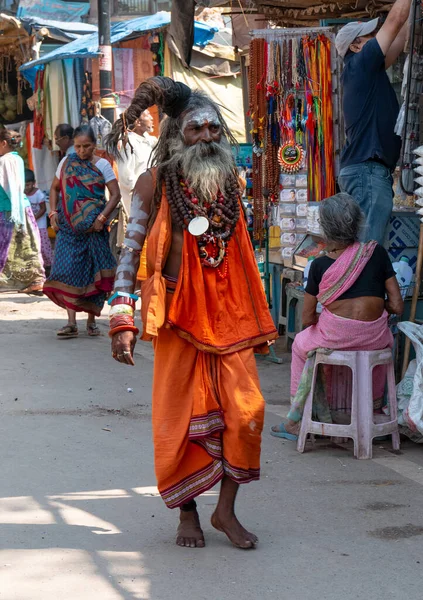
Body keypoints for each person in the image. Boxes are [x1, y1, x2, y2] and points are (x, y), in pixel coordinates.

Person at [106, 77, 277, 549]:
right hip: (179, 319)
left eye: (212, 130)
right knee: (179, 423)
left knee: (246, 414)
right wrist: (122, 315)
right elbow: (132, 249)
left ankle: (225, 511)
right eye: (194, 129)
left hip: (231, 320)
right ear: (175, 136)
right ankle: (188, 514)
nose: (205, 137)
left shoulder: (232, 185)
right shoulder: (153, 184)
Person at [271, 193, 404, 440]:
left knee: (301, 343)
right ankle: (373, 410)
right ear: (356, 223)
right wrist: (373, 305)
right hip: (374, 339)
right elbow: (397, 306)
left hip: (334, 338)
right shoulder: (377, 253)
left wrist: (337, 314)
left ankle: (296, 420)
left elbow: (307, 319)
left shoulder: (320, 265)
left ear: (325, 227)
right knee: (384, 342)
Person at [335, 0, 412, 244]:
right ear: (356, 46)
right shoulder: (360, 64)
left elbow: (401, 35)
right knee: (368, 253)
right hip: (367, 172)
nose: (377, 37)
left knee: (367, 251)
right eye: (370, 35)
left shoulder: (366, 70)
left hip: (367, 172)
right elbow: (395, 20)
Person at [44, 125, 121, 337]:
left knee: (92, 272)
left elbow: (115, 195)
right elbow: (54, 188)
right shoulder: (66, 162)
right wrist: (52, 213)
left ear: (95, 145)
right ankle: (71, 323)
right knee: (67, 270)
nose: (81, 151)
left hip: (94, 228)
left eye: (86, 146)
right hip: (68, 228)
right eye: (77, 146)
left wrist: (102, 217)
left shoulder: (103, 165)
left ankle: (91, 321)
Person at [0, 130, 45, 294]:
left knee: (9, 246)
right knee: (26, 244)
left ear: (4, 143)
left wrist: (13, 209)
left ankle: (17, 281)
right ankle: (35, 280)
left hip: (9, 210)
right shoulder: (17, 159)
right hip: (21, 207)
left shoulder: (5, 160)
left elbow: (7, 186)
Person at [117, 109, 157, 214]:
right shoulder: (129, 143)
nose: (152, 118)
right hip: (139, 201)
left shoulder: (149, 140)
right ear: (138, 122)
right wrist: (142, 194)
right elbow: (126, 176)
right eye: (148, 115)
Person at [24, 169, 53, 273]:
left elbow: (43, 209)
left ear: (33, 183)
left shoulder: (38, 194)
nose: (26, 188)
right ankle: (39, 266)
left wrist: (34, 218)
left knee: (44, 246)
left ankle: (50, 264)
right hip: (28, 225)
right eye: (24, 185)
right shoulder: (22, 194)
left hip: (40, 225)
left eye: (28, 185)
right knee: (32, 245)